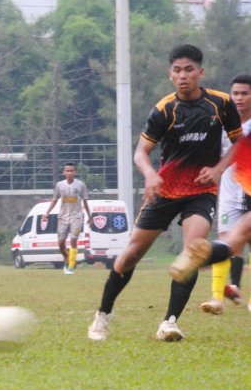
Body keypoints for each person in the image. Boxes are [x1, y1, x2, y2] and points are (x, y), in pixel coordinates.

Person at [87, 44, 241, 342]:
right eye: (177, 71)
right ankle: (102, 315)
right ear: (170, 74)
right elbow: (141, 152)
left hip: (201, 190)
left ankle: (169, 322)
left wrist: (220, 168)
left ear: (200, 72)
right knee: (129, 257)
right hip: (164, 190)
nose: (183, 76)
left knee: (194, 250)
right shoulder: (164, 109)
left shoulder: (221, 104)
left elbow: (238, 144)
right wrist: (149, 175)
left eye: (189, 70)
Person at [199, 75, 251, 314]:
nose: (239, 98)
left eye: (244, 93)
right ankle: (216, 298)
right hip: (230, 192)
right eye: (236, 93)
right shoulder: (222, 124)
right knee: (225, 240)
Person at [42, 162, 92, 274]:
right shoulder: (60, 185)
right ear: (64, 172)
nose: (69, 173)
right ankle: (67, 258)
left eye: (71, 171)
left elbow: (85, 201)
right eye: (67, 171)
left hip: (77, 217)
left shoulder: (81, 185)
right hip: (63, 217)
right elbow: (54, 200)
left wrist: (90, 216)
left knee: (74, 240)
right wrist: (47, 213)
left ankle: (71, 266)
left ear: (75, 172)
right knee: (61, 243)